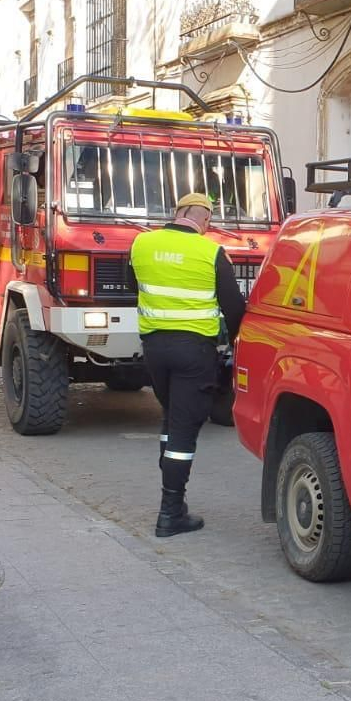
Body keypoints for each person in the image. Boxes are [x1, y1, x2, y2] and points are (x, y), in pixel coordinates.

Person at [130, 191, 246, 537]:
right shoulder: (211, 252)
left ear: (177, 212)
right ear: (206, 221)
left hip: (154, 348)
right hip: (194, 352)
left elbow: (130, 284)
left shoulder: (141, 244)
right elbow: (234, 307)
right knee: (184, 428)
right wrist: (236, 343)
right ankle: (170, 513)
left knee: (171, 418)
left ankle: (174, 504)